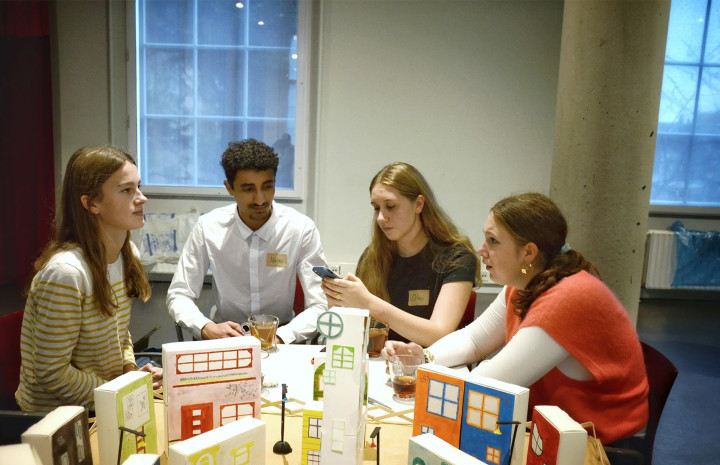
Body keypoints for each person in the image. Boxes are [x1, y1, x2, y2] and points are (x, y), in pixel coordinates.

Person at [385, 192, 649, 445]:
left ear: (528, 253)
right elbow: (474, 340)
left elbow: (488, 384)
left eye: (493, 241)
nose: (481, 250)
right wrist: (423, 358)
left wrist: (423, 376)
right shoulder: (526, 281)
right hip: (559, 432)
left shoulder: (567, 299)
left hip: (603, 449)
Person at [16, 146, 162, 412]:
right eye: (126, 190)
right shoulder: (66, 273)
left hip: (103, 401)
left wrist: (130, 370)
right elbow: (51, 373)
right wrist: (120, 390)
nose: (142, 198)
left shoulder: (128, 254)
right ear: (91, 203)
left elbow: (118, 334)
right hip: (57, 417)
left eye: (138, 187)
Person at [167, 138, 328, 343]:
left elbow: (320, 304)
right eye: (248, 189)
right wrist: (206, 327)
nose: (260, 199)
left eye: (267, 186)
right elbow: (179, 294)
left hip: (282, 338)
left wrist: (280, 336)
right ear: (229, 187)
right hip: (224, 337)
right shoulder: (208, 227)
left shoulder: (300, 229)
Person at [322, 162, 481, 347]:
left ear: (418, 205)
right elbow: (358, 337)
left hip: (430, 363)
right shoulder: (371, 257)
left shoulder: (457, 258)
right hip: (379, 361)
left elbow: (438, 334)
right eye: (376, 208)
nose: (381, 218)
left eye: (391, 206)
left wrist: (369, 303)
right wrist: (339, 308)